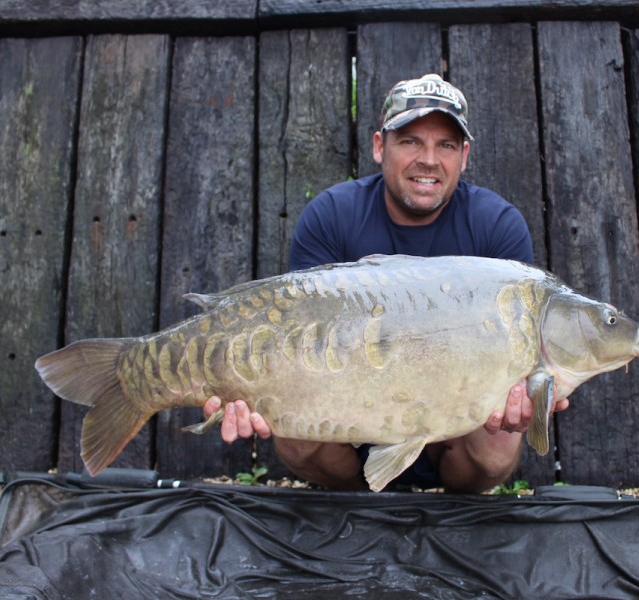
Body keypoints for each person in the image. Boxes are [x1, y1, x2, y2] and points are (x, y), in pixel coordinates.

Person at [203, 73, 569, 492]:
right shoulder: (332, 216)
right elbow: (293, 333)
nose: (428, 159)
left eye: (445, 145)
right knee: (293, 435)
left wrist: (530, 397)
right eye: (410, 140)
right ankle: (361, 503)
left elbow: (517, 364)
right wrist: (249, 387)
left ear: (464, 156)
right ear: (380, 146)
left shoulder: (497, 228)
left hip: (455, 431)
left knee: (499, 446)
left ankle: (453, 512)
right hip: (348, 421)